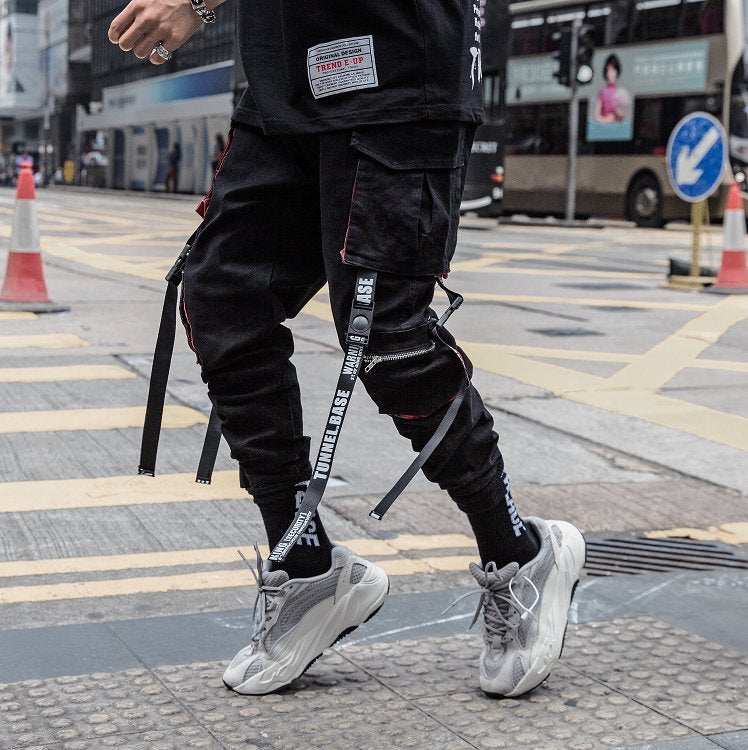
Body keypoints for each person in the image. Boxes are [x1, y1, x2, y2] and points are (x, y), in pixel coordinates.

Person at [108, 0, 586, 698]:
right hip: (285, 81)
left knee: (384, 336)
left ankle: (520, 551)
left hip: (396, 68)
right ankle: (306, 568)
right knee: (221, 298)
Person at [596, 54, 630, 123]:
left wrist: (618, 113)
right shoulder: (602, 92)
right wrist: (606, 119)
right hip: (604, 127)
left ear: (617, 72)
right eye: (609, 70)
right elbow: (597, 116)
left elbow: (623, 116)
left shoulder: (621, 93)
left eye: (614, 70)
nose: (611, 74)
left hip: (617, 127)